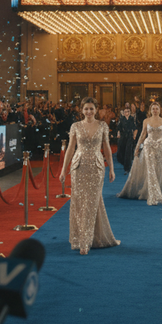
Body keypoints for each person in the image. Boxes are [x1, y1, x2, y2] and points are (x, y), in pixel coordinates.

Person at [59, 97, 120, 255]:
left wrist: (112, 169)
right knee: (79, 202)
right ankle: (83, 238)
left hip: (96, 167)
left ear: (96, 110)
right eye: (86, 109)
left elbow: (107, 148)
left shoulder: (103, 125)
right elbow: (70, 148)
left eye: (91, 108)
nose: (89, 111)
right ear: (82, 110)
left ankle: (86, 241)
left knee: (92, 201)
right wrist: (63, 170)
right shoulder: (75, 126)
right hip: (78, 167)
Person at [118, 100, 162, 206]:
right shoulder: (146, 121)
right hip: (148, 147)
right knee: (150, 169)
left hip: (159, 148)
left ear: (160, 110)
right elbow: (143, 135)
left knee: (157, 170)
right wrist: (137, 147)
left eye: (157, 109)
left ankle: (154, 190)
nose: (155, 110)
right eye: (153, 109)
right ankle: (152, 196)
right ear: (150, 110)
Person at [116, 106, 137, 174]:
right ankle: (124, 163)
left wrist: (134, 136)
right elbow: (119, 128)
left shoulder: (132, 118)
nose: (126, 113)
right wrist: (118, 134)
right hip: (123, 136)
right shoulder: (122, 119)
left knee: (128, 152)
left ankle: (127, 168)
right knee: (121, 152)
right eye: (125, 112)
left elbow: (135, 128)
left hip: (129, 136)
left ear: (129, 112)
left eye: (128, 111)